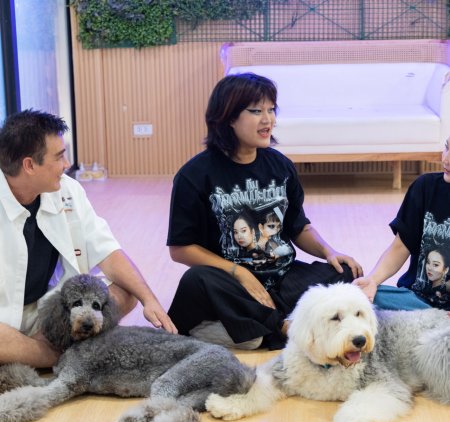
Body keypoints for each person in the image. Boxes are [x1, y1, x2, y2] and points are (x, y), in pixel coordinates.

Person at [166, 73, 362, 350]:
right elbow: (181, 249)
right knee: (196, 280)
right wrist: (239, 273)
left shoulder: (280, 166)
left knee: (346, 272)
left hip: (282, 277)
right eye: (256, 111)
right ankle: (282, 326)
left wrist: (329, 252)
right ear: (228, 117)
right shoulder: (194, 175)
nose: (268, 120)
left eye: (271, 110)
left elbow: (298, 227)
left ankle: (252, 329)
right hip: (231, 284)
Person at [0, 109, 177, 368]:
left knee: (126, 291)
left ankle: (34, 353)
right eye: (59, 156)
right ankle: (53, 355)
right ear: (29, 165)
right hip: (4, 323)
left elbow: (107, 251)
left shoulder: (68, 190)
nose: (67, 164)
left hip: (50, 314)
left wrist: (149, 300)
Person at [354, 137, 450, 312]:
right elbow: (400, 247)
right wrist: (372, 281)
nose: (446, 159)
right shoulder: (425, 187)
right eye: (447, 147)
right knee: (358, 299)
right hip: (415, 302)